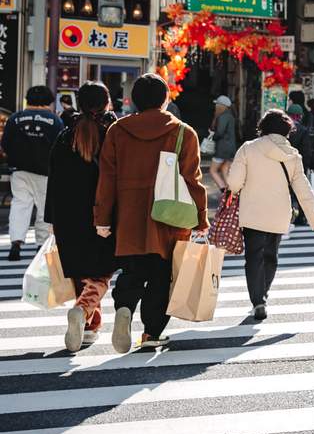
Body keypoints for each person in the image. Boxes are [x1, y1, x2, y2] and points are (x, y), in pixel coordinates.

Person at [95, 74, 207, 352]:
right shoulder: (183, 132)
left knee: (132, 270)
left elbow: (106, 179)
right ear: (166, 99)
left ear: (133, 99)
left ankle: (124, 308)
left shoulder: (118, 131)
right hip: (169, 217)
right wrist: (201, 219)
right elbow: (192, 180)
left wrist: (102, 219)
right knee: (161, 275)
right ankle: (151, 333)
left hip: (128, 215)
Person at [226, 109, 314, 320]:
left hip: (252, 213)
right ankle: (264, 293)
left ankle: (257, 301)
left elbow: (234, 183)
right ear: (287, 131)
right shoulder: (292, 155)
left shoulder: (248, 149)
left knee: (254, 257)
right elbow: (303, 190)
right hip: (279, 213)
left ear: (263, 127)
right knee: (271, 255)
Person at [44, 82, 117, 351]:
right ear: (107, 103)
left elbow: (53, 181)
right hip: (101, 217)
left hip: (67, 219)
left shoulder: (65, 137)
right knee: (100, 274)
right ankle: (83, 311)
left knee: (81, 275)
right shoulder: (111, 134)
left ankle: (89, 326)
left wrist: (51, 219)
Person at [2, 85, 62, 261]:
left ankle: (16, 242)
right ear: (48, 102)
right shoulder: (54, 120)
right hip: (45, 172)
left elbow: (5, 144)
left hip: (19, 171)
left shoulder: (15, 118)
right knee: (44, 209)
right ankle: (41, 246)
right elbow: (60, 146)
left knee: (20, 205)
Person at [208, 95, 237, 192]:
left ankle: (225, 191)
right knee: (225, 170)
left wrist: (213, 136)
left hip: (222, 149)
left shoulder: (222, 116)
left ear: (220, 106)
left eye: (217, 104)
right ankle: (232, 193)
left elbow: (220, 132)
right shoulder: (231, 116)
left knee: (213, 171)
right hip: (231, 148)